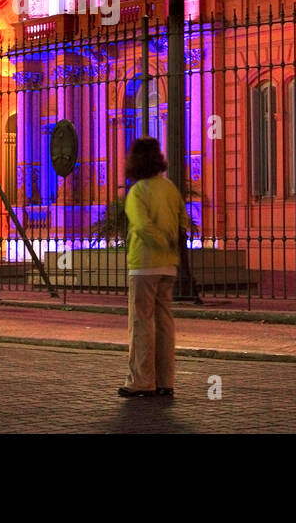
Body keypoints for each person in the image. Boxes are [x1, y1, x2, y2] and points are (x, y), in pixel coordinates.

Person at [118, 137, 187, 399]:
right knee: (164, 324)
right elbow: (183, 221)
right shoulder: (170, 189)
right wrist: (171, 244)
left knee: (141, 323)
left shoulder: (138, 192)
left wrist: (159, 241)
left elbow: (141, 226)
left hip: (144, 265)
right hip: (168, 266)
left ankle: (141, 381)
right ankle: (165, 381)